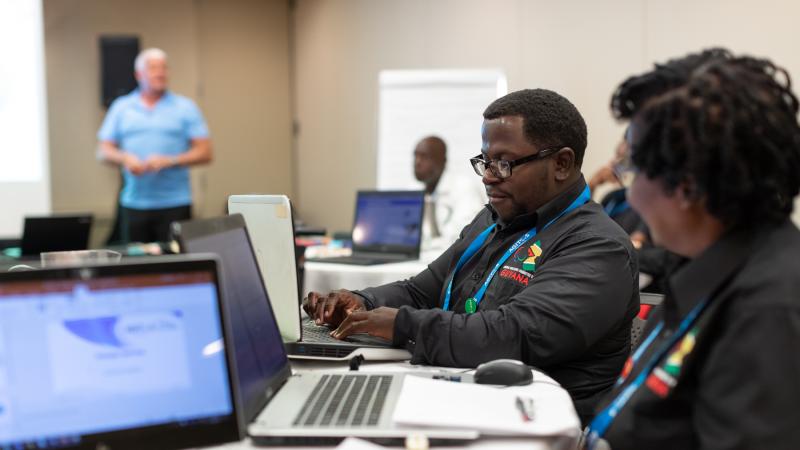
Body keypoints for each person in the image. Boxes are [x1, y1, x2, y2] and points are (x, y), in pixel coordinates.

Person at [306, 89, 639, 422]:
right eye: (485, 161)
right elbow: (421, 291)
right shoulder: (492, 220)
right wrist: (362, 301)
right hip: (463, 393)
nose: (489, 177)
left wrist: (400, 323)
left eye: (504, 163)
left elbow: (512, 335)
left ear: (561, 164)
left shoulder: (598, 246)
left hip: (532, 422)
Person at [585, 49, 800, 449]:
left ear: (686, 188)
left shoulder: (769, 308)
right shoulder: (705, 268)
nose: (629, 194)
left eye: (632, 172)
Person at [98, 48, 212, 243]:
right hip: (134, 204)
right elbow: (103, 150)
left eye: (163, 68)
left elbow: (205, 152)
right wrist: (125, 158)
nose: (160, 73)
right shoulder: (121, 107)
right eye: (153, 68)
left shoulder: (185, 107)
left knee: (177, 267)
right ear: (138, 74)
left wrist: (172, 160)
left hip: (176, 203)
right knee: (136, 269)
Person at [413, 135, 486, 249]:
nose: (417, 162)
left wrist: (425, 245)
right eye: (416, 156)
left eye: (425, 157)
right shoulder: (414, 190)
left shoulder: (464, 188)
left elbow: (465, 238)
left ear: (443, 161)